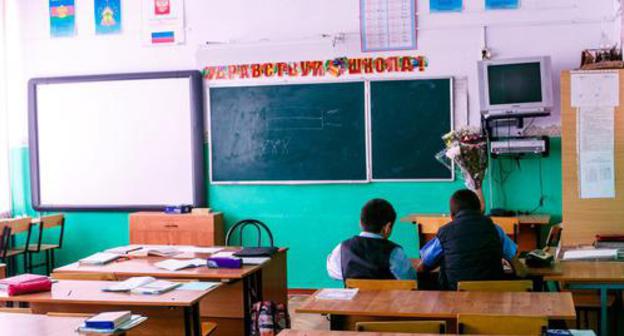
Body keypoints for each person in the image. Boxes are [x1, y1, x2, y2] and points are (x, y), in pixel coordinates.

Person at [419, 189, 525, 290]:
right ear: (480, 210)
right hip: (492, 298)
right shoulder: (495, 229)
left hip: (455, 299)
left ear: (451, 216)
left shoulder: (444, 234)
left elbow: (424, 266)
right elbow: (519, 269)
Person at [327, 198, 417, 281]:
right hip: (388, 298)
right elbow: (410, 280)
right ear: (387, 227)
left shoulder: (343, 248)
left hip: (356, 298)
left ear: (360, 222)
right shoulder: (394, 252)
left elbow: (332, 272)